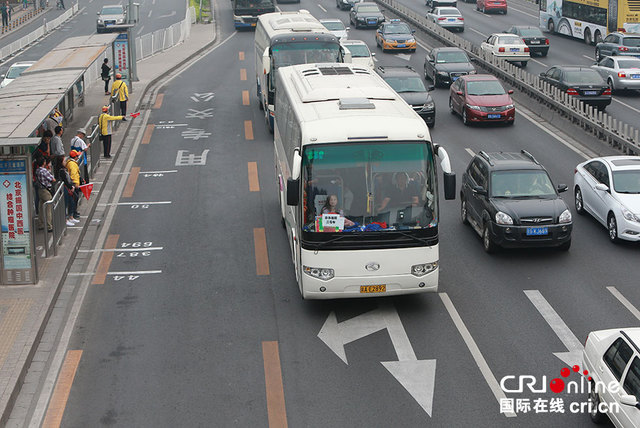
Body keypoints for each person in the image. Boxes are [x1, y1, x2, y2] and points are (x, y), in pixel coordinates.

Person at [54, 156, 77, 226]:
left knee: (71, 201)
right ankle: (66, 219)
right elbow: (65, 181)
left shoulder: (64, 169)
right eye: (64, 161)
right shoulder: (61, 171)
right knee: (66, 203)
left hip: (67, 187)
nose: (65, 162)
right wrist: (71, 187)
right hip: (65, 188)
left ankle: (71, 216)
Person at [35, 157, 56, 231]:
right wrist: (49, 170)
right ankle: (49, 226)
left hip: (40, 190)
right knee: (48, 208)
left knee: (41, 207)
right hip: (46, 191)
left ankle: (41, 224)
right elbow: (53, 179)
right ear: (44, 163)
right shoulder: (44, 171)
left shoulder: (37, 170)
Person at [67, 150, 82, 221]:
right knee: (74, 199)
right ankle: (73, 213)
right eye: (77, 155)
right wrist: (76, 183)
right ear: (75, 157)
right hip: (74, 184)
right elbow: (73, 174)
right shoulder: (72, 164)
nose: (78, 157)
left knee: (75, 198)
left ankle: (74, 212)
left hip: (75, 183)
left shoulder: (72, 163)